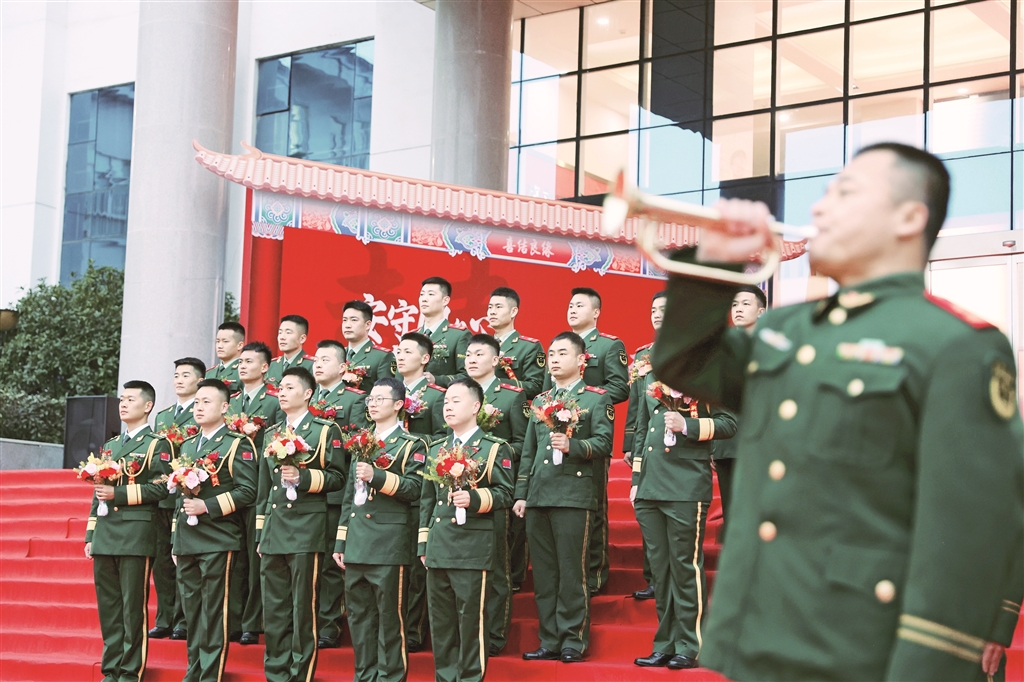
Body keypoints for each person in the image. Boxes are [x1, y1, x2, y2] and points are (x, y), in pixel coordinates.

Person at [651, 142, 1024, 679]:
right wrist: (714, 263)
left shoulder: (957, 345)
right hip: (758, 636)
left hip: (857, 650)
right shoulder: (786, 329)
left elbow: (965, 537)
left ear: (908, 218)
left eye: (845, 193)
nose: (820, 208)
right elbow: (685, 362)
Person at [513, 332, 614, 664]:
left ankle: (573, 639)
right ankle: (550, 639)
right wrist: (522, 494)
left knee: (572, 572)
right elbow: (529, 452)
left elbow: (604, 444)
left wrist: (575, 446)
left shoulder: (596, 399)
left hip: (573, 495)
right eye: (551, 354)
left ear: (581, 360)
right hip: (539, 496)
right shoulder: (540, 401)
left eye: (562, 353)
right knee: (544, 575)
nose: (554, 359)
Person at [629, 367, 737, 670]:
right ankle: (664, 644)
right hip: (650, 484)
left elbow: (729, 423)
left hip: (685, 484)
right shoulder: (651, 377)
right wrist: (636, 479)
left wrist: (687, 425)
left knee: (685, 567)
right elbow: (643, 430)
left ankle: (690, 644)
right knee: (661, 572)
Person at [332, 378, 429, 682]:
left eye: (380, 399)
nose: (372, 404)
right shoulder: (361, 441)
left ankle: (390, 677)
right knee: (359, 620)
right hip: (357, 542)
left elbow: (414, 489)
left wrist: (377, 476)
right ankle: (364, 676)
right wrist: (341, 541)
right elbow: (349, 496)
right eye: (370, 399)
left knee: (390, 620)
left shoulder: (412, 444)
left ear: (399, 405)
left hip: (388, 543)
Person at [418, 378, 514, 682]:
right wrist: (424, 544)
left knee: (471, 624)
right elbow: (427, 501)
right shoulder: (437, 448)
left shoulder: (493, 448)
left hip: (472, 548)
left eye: (456, 401)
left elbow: (505, 494)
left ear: (475, 406)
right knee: (442, 626)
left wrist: (474, 499)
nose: (448, 406)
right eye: (446, 401)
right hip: (439, 546)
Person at [255, 366, 346, 682]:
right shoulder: (272, 433)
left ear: (308, 393)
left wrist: (303, 477)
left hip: (306, 528)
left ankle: (300, 673)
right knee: (274, 607)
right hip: (274, 528)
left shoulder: (324, 430)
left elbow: (338, 478)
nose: (282, 392)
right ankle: (276, 672)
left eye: (290, 387)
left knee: (303, 607)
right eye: (280, 387)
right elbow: (264, 489)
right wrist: (260, 533)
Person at [85, 380, 173, 682]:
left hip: (136, 533)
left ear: (148, 406)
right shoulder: (111, 445)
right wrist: (91, 533)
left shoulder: (157, 444)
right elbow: (98, 492)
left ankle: (129, 672)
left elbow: (162, 488)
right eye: (122, 399)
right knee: (109, 607)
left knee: (132, 607)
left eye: (131, 399)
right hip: (106, 532)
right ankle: (110, 670)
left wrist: (119, 495)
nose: (123, 404)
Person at [171, 379, 258, 682]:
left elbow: (248, 491)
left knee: (213, 612)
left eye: (206, 402)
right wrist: (175, 539)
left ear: (224, 407)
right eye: (196, 402)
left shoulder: (236, 444)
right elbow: (179, 498)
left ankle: (209, 675)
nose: (198, 407)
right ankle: (193, 671)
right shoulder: (186, 445)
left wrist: (206, 506)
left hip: (218, 536)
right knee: (192, 611)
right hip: (188, 537)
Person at [545, 287, 629, 595]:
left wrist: (584, 399)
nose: (572, 309)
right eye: (570, 305)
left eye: (579, 305)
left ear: (595, 312)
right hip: (555, 436)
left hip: (589, 432)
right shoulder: (559, 347)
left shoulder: (608, 345)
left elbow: (620, 387)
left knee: (593, 506)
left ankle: (595, 573)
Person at [463, 333, 530, 655]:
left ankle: (494, 635)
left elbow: (523, 443)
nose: (472, 359)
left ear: (495, 360)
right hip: (458, 488)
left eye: (479, 354)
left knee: (497, 566)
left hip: (495, 486)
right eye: (468, 355)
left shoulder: (511, 396)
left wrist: (491, 452)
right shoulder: (456, 394)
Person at [311, 338, 371, 649]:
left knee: (329, 563)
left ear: (343, 367)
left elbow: (358, 447)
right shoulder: (304, 396)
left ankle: (329, 624)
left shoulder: (353, 400)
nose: (318, 364)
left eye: (326, 359)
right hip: (301, 494)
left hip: (334, 492)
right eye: (316, 359)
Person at [226, 341, 283, 646]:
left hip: (259, 486)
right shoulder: (231, 403)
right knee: (233, 559)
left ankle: (252, 622)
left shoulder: (273, 402)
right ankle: (233, 620)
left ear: (264, 367)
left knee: (254, 557)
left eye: (249, 361)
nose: (243, 366)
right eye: (240, 362)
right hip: (229, 487)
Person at [393, 331, 447, 652]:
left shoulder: (437, 397)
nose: (400, 356)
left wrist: (414, 442)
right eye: (398, 351)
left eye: (407, 351)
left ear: (425, 358)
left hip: (419, 485)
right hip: (387, 487)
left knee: (415, 565)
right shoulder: (387, 392)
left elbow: (443, 439)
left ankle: (413, 629)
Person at [150, 356, 205, 641]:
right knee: (162, 559)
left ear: (199, 380)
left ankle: (183, 619)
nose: (179, 380)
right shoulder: (163, 415)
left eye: (185, 375)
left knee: (184, 559)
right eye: (176, 375)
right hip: (163, 496)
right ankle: (164, 617)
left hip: (189, 495)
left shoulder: (202, 411)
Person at [712, 284, 766, 540]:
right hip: (727, 442)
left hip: (761, 441)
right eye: (734, 304)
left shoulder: (774, 347)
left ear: (761, 311)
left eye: (745, 304)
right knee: (732, 511)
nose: (738, 309)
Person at [624, 291, 666, 601]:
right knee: (646, 511)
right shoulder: (643, 356)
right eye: (653, 310)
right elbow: (637, 404)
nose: (657, 314)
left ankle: (668, 577)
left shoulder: (692, 352)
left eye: (664, 309)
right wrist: (629, 443)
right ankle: (653, 578)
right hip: (646, 440)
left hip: (677, 441)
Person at [487, 287, 546, 399]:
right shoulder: (482, 346)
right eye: (490, 307)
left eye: (498, 307)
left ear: (513, 311)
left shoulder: (529, 347)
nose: (492, 312)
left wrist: (496, 382)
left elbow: (535, 387)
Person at [417, 276, 471, 388]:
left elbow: (467, 376)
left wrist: (436, 380)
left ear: (445, 300)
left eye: (431, 294)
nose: (424, 299)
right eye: (422, 294)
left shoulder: (459, 335)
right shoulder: (412, 337)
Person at [342, 299, 397, 391]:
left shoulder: (382, 356)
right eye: (344, 320)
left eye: (354, 320)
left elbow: (386, 393)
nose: (347, 325)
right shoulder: (338, 355)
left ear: (367, 324)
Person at [266, 314, 315, 386]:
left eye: (288, 333)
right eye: (280, 332)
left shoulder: (312, 365)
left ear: (302, 338)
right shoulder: (271, 365)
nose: (282, 337)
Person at [206, 321, 245, 394]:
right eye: (218, 341)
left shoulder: (244, 371)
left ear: (239, 345)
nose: (220, 346)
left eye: (225, 341)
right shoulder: (208, 373)